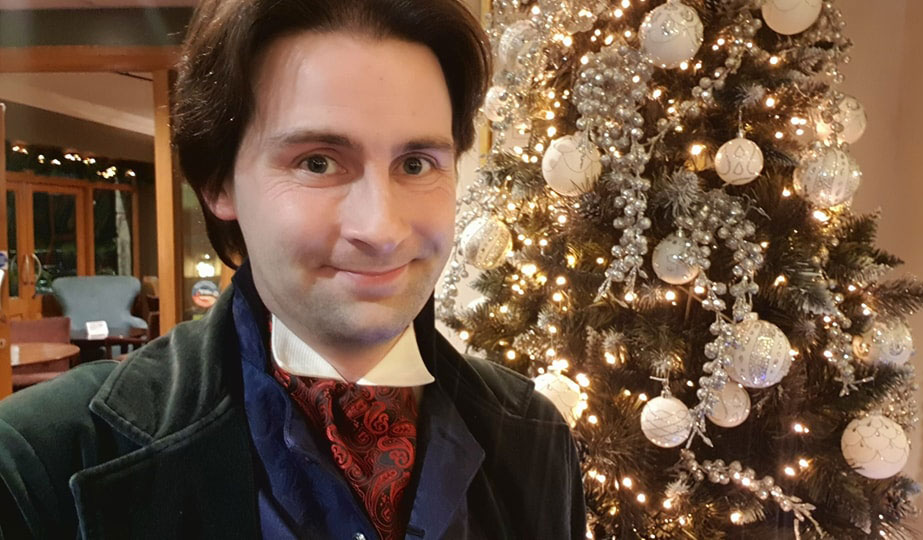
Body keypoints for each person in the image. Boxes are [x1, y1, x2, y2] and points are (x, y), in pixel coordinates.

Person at [0, 0, 586, 538]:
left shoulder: (533, 435)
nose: (380, 228)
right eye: (318, 161)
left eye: (415, 163)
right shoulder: (36, 461)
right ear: (218, 183)